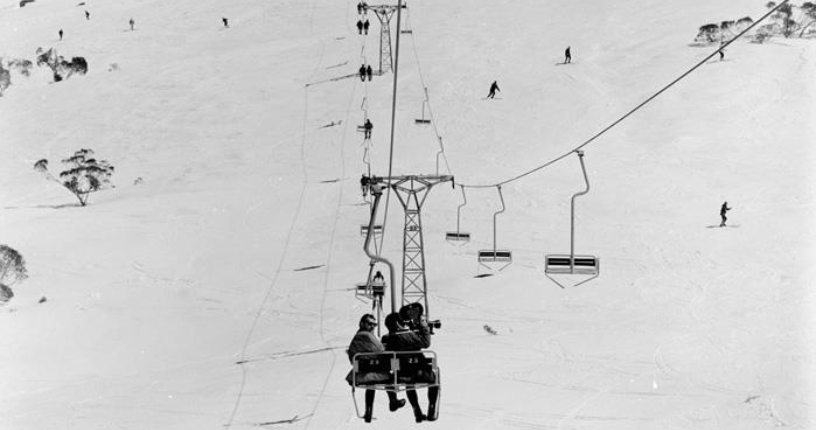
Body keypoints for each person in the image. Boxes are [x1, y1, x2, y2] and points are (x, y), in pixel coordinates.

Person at [345, 314, 406, 422]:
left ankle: (369, 412)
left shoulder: (358, 335)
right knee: (391, 371)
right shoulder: (366, 335)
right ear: (363, 323)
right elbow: (380, 350)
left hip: (360, 371)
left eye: (374, 325)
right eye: (370, 324)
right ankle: (393, 400)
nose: (372, 327)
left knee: (371, 384)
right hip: (368, 369)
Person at [382, 313, 439, 422]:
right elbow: (426, 343)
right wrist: (424, 328)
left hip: (401, 375)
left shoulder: (387, 339)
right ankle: (431, 408)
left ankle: (416, 410)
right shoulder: (408, 335)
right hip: (420, 372)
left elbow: (386, 356)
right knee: (434, 379)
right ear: (398, 323)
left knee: (409, 384)